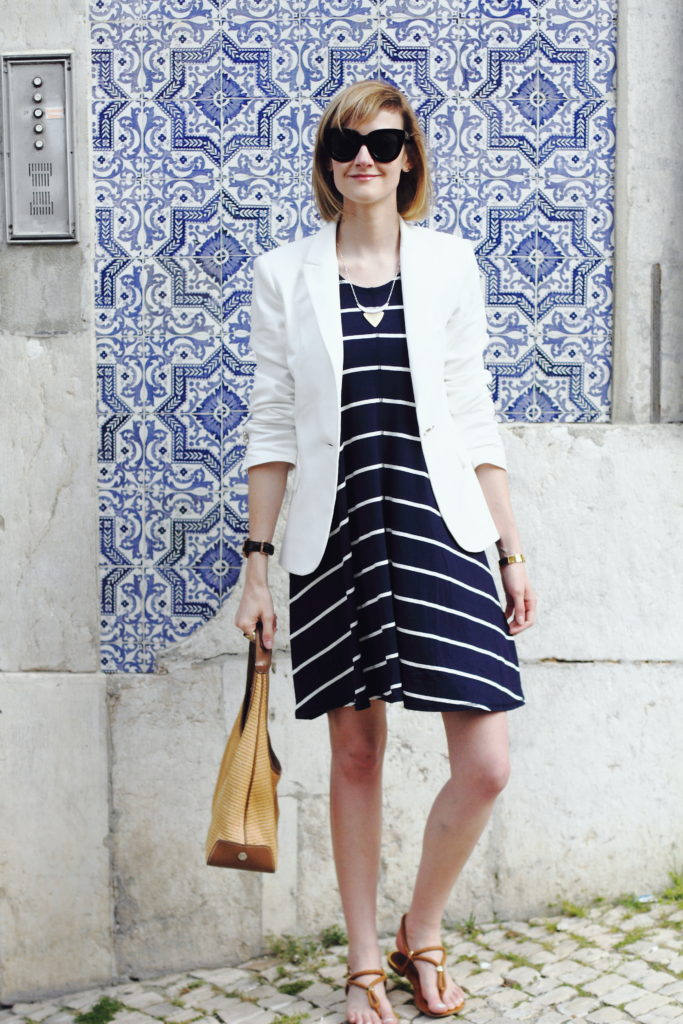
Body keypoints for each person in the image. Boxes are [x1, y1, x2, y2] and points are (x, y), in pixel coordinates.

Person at [235, 79, 536, 1024]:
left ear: (408, 155)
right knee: (356, 752)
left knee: (485, 761)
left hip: (441, 524)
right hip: (334, 533)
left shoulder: (450, 264)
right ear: (325, 163)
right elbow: (274, 423)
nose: (361, 156)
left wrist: (511, 551)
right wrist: (256, 561)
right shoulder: (284, 274)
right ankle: (366, 960)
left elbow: (473, 412)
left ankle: (422, 928)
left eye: (381, 139)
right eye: (342, 143)